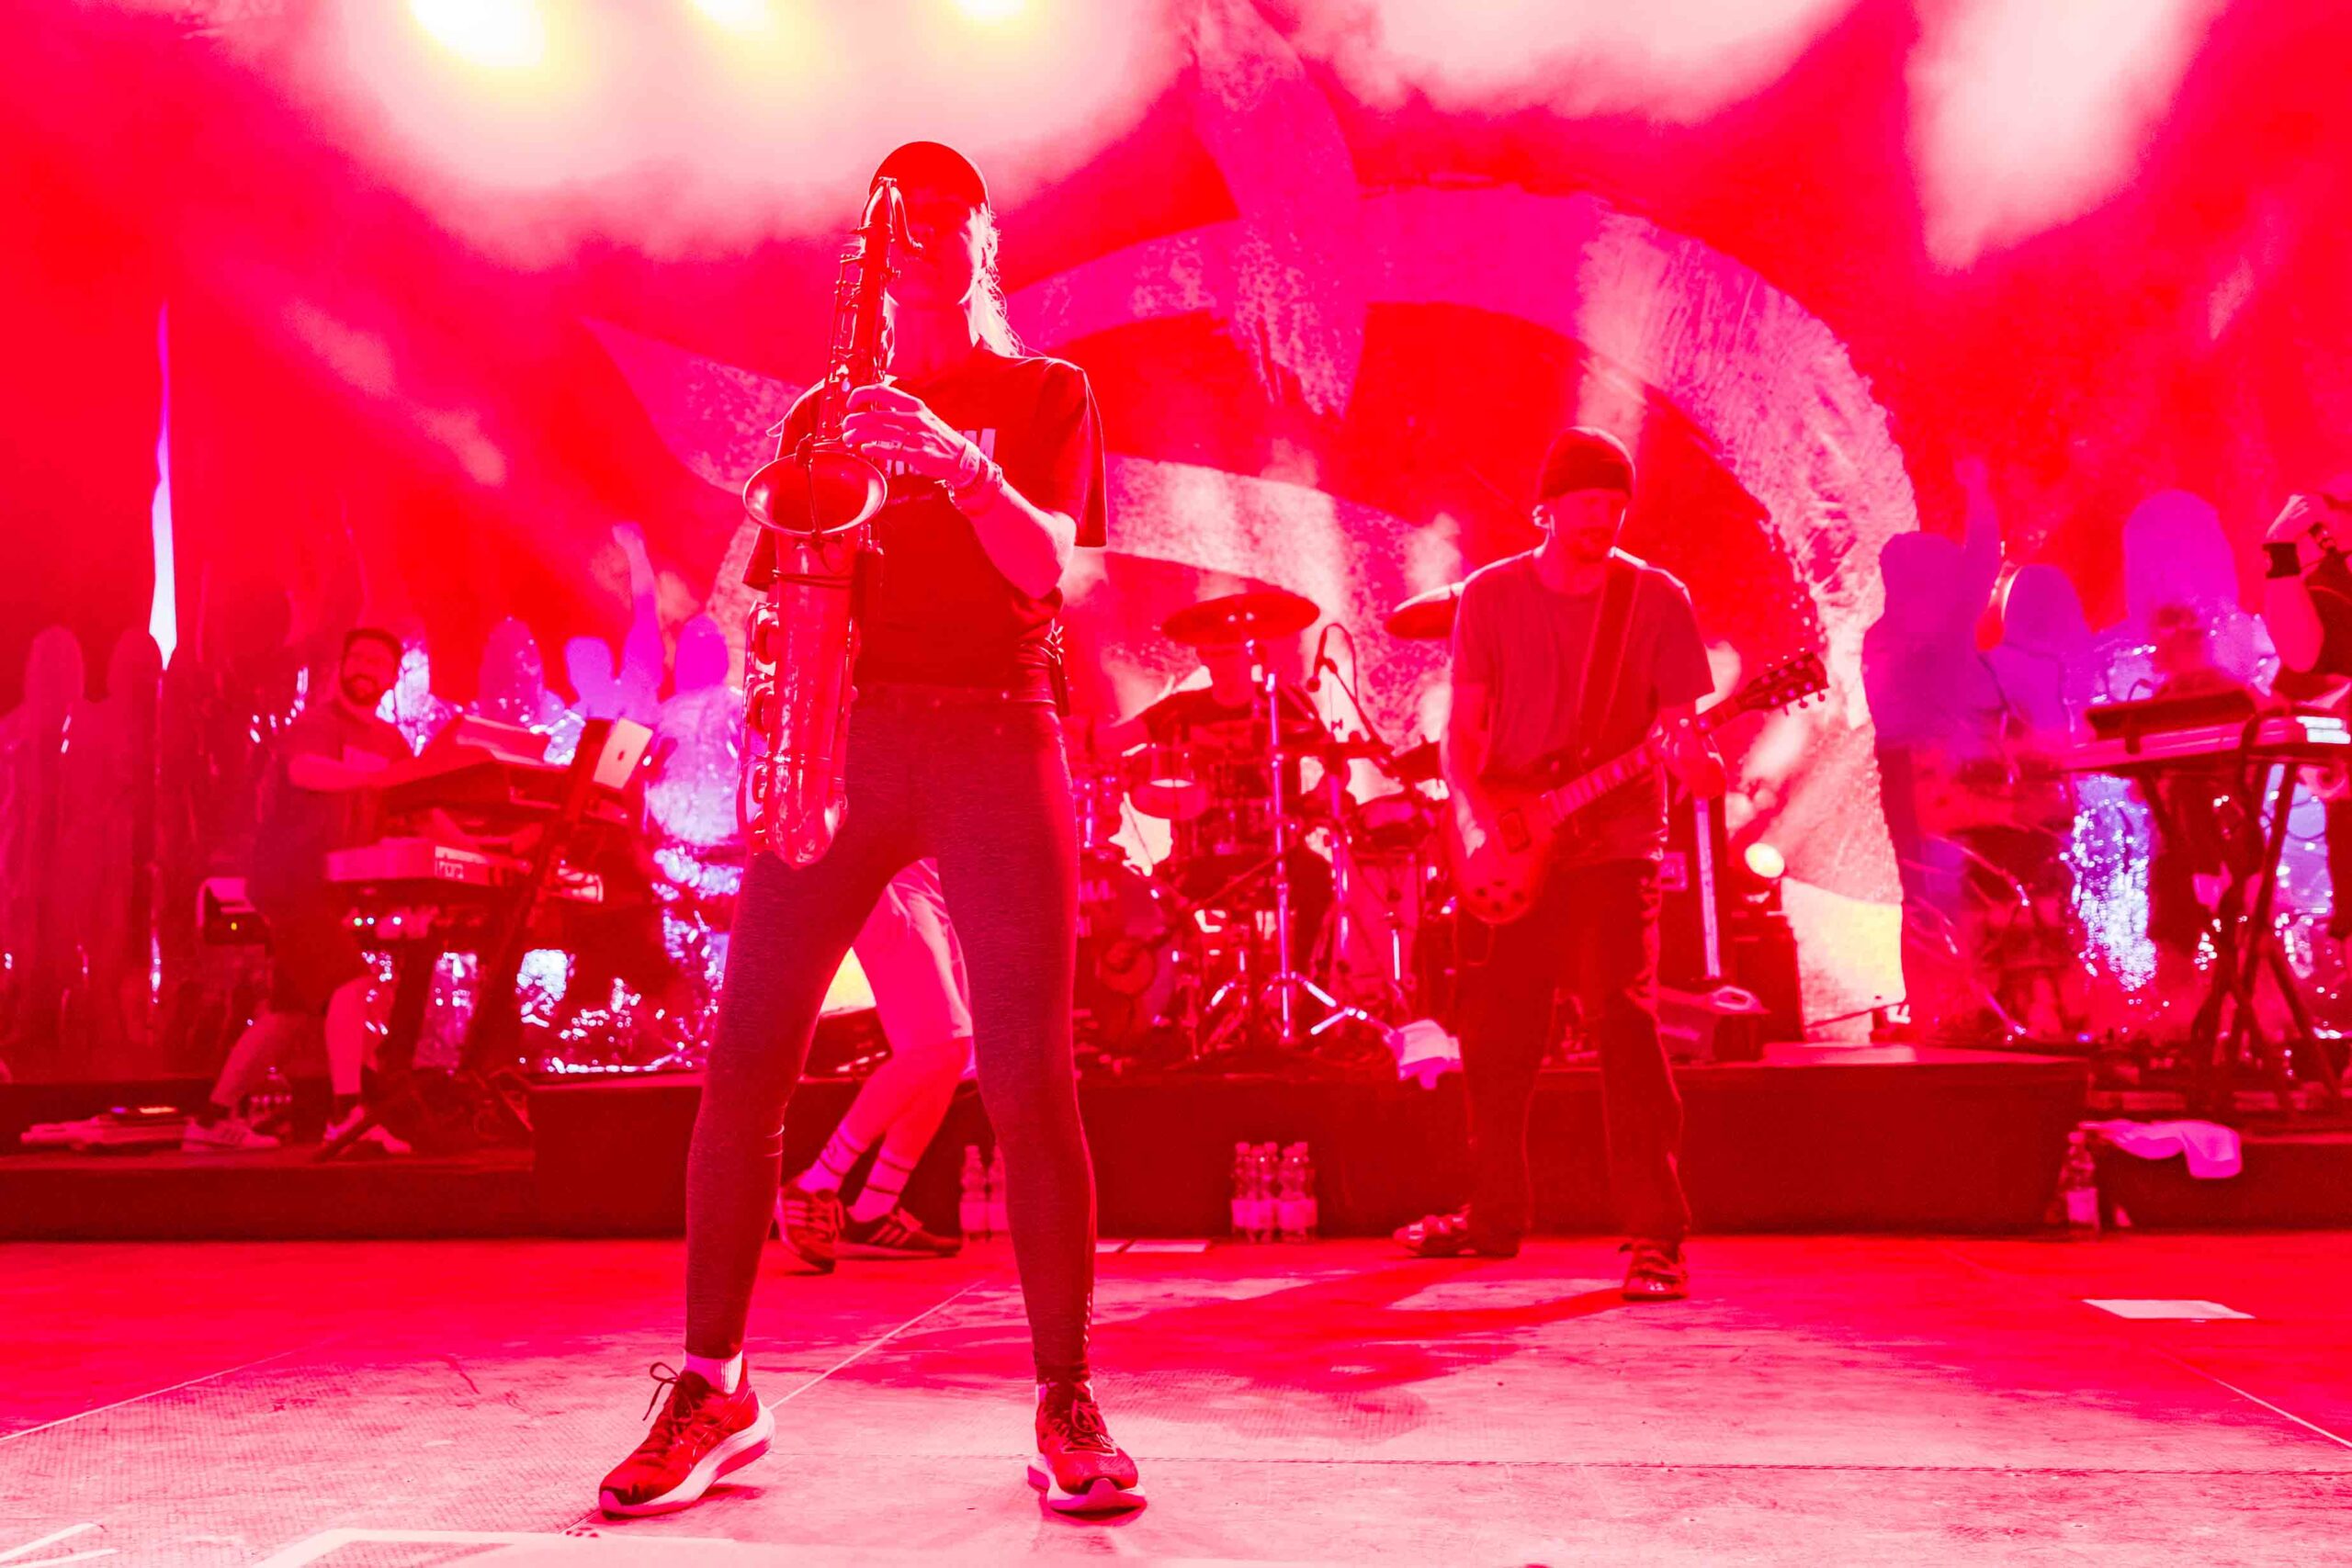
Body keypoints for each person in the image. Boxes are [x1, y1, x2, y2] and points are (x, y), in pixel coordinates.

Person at [597, 141, 1139, 1519]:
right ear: (871, 264)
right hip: (843, 740)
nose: (920, 237)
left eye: (946, 216)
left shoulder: (1046, 392)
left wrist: (954, 460)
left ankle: (1067, 1396)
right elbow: (783, 587)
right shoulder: (824, 411)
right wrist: (782, 721)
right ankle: (713, 1385)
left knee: (1028, 1074)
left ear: (985, 244)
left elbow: (1043, 565)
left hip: (998, 730)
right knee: (744, 1065)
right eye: (899, 221)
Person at [1396, 427, 1724, 1302]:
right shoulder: (1491, 596)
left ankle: (1657, 1237)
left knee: (1627, 1020)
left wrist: (1698, 766)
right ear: (1545, 508)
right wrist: (1472, 821)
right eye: (1586, 503)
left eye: (1615, 505)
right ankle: (1493, 1214)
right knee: (1497, 1034)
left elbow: (1681, 733)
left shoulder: (1655, 598)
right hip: (1510, 838)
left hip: (1617, 842)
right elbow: (1463, 735)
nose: (1601, 519)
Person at [183, 628, 413, 1154]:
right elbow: (305, 771)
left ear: (391, 677)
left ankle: (211, 1119)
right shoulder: (315, 724)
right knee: (350, 982)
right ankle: (347, 1117)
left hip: (329, 891)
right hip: (290, 881)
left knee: (289, 1016)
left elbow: (422, 804)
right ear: (342, 665)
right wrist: (373, 781)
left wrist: (485, 843)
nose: (366, 668)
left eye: (378, 662)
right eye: (358, 657)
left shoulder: (392, 743)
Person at [775, 859, 969, 1268]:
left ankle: (872, 1210)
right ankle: (813, 1185)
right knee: (936, 1045)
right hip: (891, 873)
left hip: (937, 876)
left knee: (952, 1050)